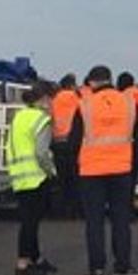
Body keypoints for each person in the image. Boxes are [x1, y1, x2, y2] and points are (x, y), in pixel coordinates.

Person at [66, 66, 138, 275]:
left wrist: (76, 169)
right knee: (121, 219)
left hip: (91, 171)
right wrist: (132, 164)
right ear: (110, 80)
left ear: (91, 82)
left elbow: (73, 142)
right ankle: (123, 267)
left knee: (94, 221)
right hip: (121, 169)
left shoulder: (85, 105)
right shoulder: (129, 103)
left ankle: (96, 269)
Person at [7, 81, 58, 275]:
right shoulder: (41, 119)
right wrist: (52, 171)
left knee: (30, 220)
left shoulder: (20, 117)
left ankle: (36, 258)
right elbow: (41, 152)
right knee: (30, 223)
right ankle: (23, 262)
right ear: (44, 99)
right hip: (36, 176)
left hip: (20, 175)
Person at [49, 73, 82, 217]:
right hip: (72, 142)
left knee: (61, 179)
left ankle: (60, 210)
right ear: (72, 85)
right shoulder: (76, 98)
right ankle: (74, 209)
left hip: (57, 142)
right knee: (74, 179)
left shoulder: (54, 100)